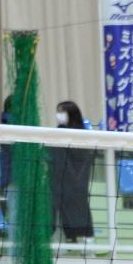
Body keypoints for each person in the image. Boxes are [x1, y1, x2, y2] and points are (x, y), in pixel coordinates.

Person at [49, 99, 95, 241]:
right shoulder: (59, 133)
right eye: (58, 112)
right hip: (62, 184)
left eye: (62, 112)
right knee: (62, 216)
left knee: (78, 217)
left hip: (74, 184)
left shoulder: (82, 135)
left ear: (71, 114)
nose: (59, 115)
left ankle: (85, 247)